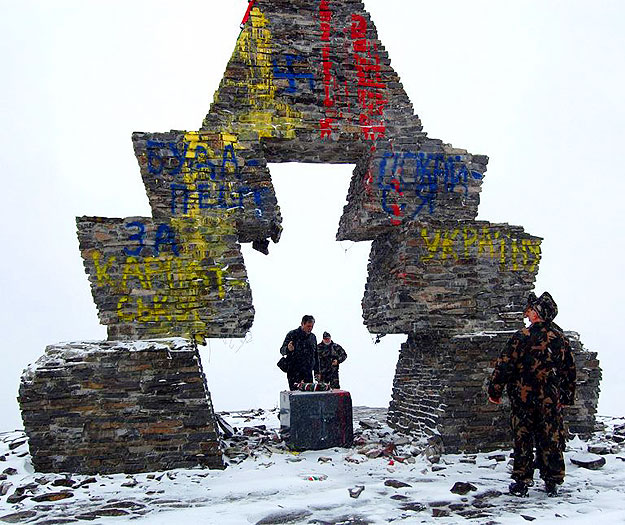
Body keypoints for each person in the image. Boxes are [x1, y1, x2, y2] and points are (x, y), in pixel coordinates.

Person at [488, 291, 576, 498]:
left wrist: (495, 391)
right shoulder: (560, 339)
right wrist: (565, 398)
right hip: (550, 400)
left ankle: (522, 481)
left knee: (523, 438)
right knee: (551, 438)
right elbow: (569, 371)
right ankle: (552, 481)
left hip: (523, 399)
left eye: (530, 311)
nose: (527, 315)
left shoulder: (521, 338)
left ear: (537, 314)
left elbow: (504, 366)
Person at [280, 315, 320, 390]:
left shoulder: (313, 337)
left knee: (309, 397)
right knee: (296, 397)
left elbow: (316, 355)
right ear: (302, 324)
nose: (310, 328)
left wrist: (317, 371)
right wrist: (288, 349)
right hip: (294, 372)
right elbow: (282, 350)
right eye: (308, 326)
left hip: (308, 372)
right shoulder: (292, 334)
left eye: (312, 326)